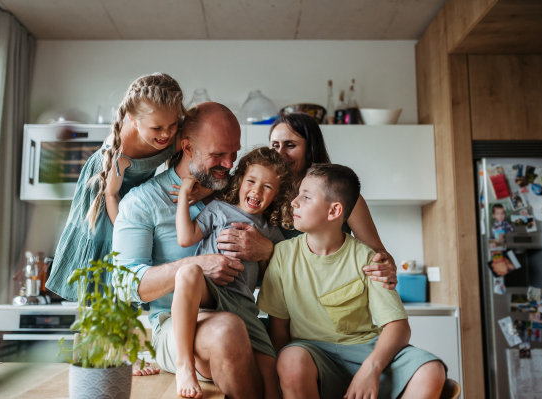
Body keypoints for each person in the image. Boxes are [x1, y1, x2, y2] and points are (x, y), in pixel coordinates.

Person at [113, 102, 273, 398]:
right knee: (227, 330)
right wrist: (198, 265)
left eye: (234, 152)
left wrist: (268, 250)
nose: (229, 163)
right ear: (187, 147)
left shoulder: (242, 194)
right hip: (174, 327)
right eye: (218, 154)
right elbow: (125, 285)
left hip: (240, 307)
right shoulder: (142, 202)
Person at [46, 73, 199, 375]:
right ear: (132, 118)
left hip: (130, 199)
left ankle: (125, 355)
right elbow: (112, 195)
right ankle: (100, 360)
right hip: (105, 200)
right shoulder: (117, 153)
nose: (166, 134)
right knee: (109, 280)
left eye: (172, 125)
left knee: (129, 282)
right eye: (157, 128)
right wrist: (125, 233)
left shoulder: (170, 130)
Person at [257, 163, 447, 399]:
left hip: (366, 352)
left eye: (305, 197)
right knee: (290, 359)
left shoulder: (366, 257)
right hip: (311, 355)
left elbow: (398, 326)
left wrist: (371, 368)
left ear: (334, 211)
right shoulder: (283, 255)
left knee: (432, 370)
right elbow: (279, 330)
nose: (294, 202)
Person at [214, 112, 398, 289]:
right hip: (281, 302)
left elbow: (378, 255)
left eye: (290, 145)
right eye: (275, 145)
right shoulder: (262, 196)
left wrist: (384, 268)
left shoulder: (344, 197)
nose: (280, 153)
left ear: (310, 149)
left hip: (333, 294)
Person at [173, 147, 294, 398]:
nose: (257, 191)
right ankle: (184, 366)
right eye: (251, 181)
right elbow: (186, 238)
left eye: (268, 187)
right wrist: (184, 194)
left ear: (277, 194)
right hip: (211, 293)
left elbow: (282, 270)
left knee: (271, 379)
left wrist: (263, 252)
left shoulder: (270, 231)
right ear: (239, 181)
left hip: (244, 306)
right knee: (187, 273)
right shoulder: (217, 209)